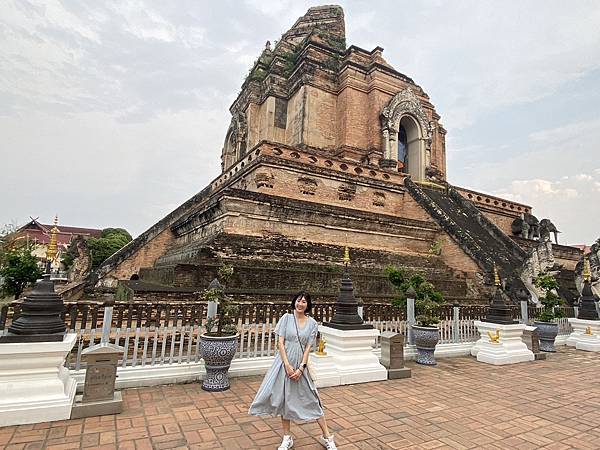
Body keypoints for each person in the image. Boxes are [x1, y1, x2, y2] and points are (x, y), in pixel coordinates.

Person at [249, 292, 337, 450]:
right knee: (284, 399)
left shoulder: (312, 324)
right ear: (294, 302)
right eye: (298, 301)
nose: (300, 304)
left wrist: (301, 368)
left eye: (304, 302)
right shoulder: (286, 318)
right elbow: (280, 343)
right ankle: (287, 437)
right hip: (284, 364)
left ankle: (327, 436)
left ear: (307, 305)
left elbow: (308, 348)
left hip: (301, 365)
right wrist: (287, 365)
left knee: (313, 398)